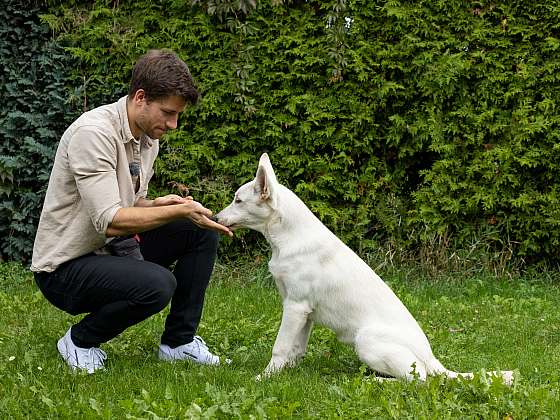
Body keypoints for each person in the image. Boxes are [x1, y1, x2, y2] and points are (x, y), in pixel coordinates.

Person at [31, 49, 233, 374]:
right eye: (168, 113)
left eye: (177, 115)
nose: (173, 124)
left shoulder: (147, 137)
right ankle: (79, 341)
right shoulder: (93, 134)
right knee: (158, 284)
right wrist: (174, 213)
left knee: (200, 230)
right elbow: (110, 221)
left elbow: (129, 203)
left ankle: (178, 343)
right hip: (64, 269)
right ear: (140, 97)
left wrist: (159, 205)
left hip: (107, 251)